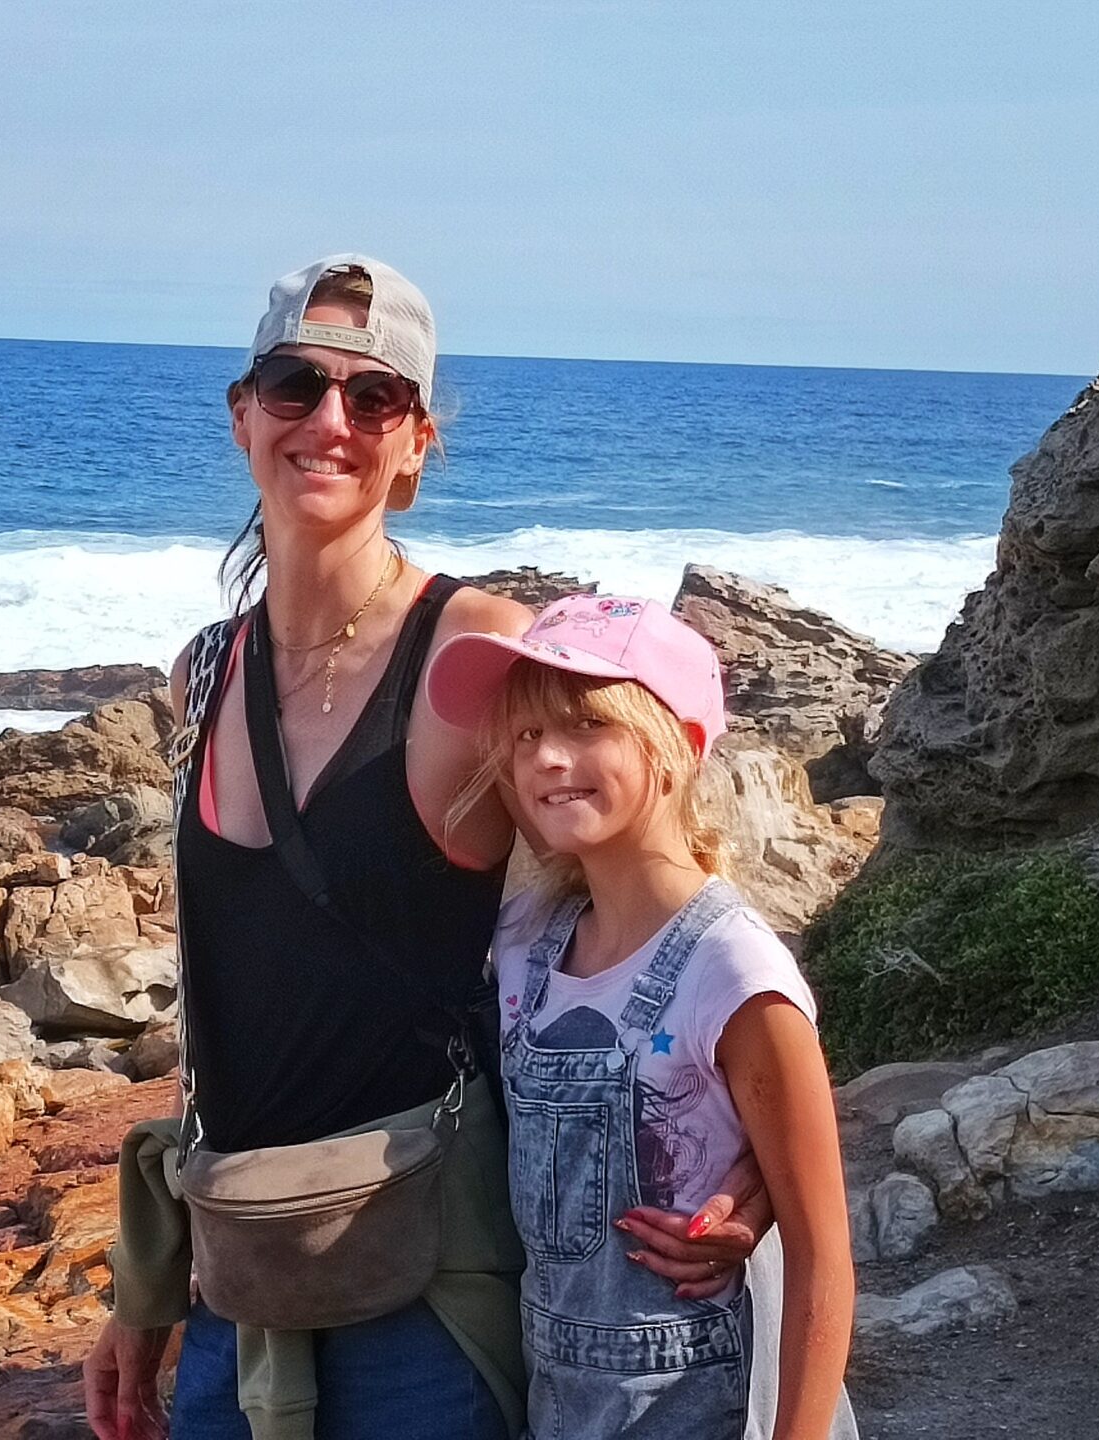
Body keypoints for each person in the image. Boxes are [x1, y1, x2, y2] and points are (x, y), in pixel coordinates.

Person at [82, 256, 772, 1440]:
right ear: (242, 415)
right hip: (240, 1275)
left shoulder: (478, 658)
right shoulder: (203, 671)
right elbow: (225, 1000)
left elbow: (661, 905)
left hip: (424, 1291)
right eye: (295, 385)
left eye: (374, 397)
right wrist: (146, 1282)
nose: (329, 421)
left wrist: (753, 1159)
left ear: (414, 446)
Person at [423, 594, 855, 1439]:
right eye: (523, 734)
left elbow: (823, 1258)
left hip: (698, 1410)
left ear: (677, 745)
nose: (546, 757)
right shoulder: (528, 943)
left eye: (587, 724)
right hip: (559, 1406)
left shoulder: (734, 971)